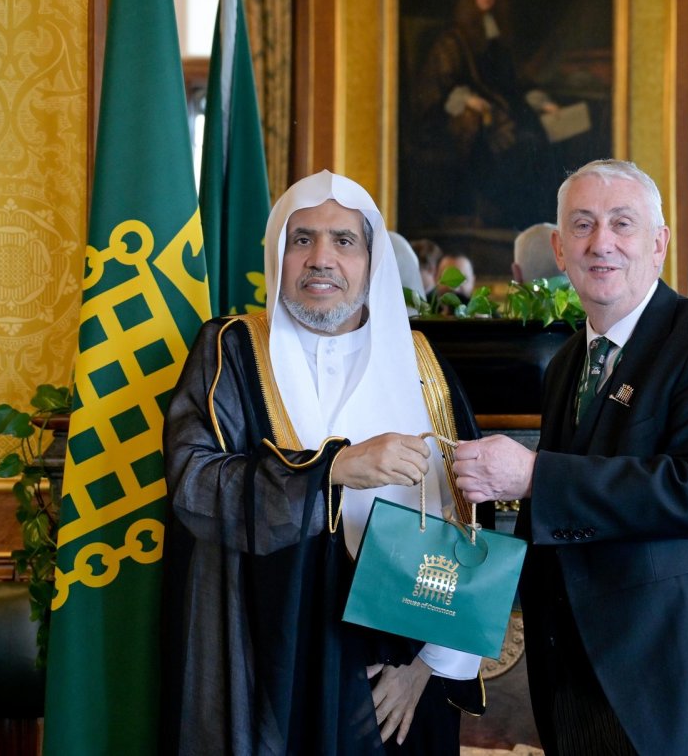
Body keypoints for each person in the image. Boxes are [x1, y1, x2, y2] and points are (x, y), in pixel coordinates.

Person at [452, 159, 688, 755]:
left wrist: (534, 474)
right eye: (582, 226)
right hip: (578, 686)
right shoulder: (565, 365)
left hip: (684, 691)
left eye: (622, 223)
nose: (601, 242)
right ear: (560, 251)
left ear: (658, 243)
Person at [161, 170, 485, 755]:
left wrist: (427, 667)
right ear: (278, 254)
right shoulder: (232, 350)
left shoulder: (423, 365)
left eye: (343, 241)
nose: (320, 259)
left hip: (396, 672)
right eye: (302, 239)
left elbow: (469, 522)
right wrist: (331, 471)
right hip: (270, 659)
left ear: (370, 259)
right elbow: (194, 482)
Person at [409, 0, 563, 230]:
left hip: (504, 110)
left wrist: (542, 102)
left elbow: (515, 81)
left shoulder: (498, 38)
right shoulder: (453, 39)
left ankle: (522, 217)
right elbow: (441, 80)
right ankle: (494, 212)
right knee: (502, 138)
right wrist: (467, 100)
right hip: (461, 113)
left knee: (533, 138)